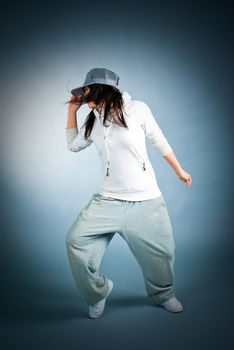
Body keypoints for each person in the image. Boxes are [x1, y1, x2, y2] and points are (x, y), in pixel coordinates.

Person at [64, 67, 192, 319]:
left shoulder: (138, 109)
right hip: (108, 200)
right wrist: (71, 111)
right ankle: (98, 292)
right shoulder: (94, 120)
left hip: (145, 200)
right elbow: (73, 145)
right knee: (75, 241)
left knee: (163, 254)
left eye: (86, 90)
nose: (82, 95)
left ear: (101, 88)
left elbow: (158, 139)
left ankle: (164, 294)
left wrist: (179, 170)